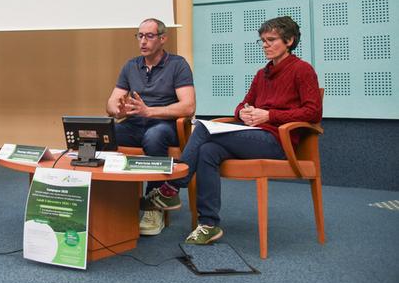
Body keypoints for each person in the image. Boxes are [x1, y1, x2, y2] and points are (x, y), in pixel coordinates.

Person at [148, 16, 322, 245]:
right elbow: (242, 104)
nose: (265, 45)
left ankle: (172, 187)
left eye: (271, 40)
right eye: (262, 41)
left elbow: (313, 112)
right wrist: (243, 113)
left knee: (202, 129)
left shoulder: (302, 70)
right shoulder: (263, 74)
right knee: (208, 150)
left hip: (278, 141)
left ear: (289, 41)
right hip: (255, 134)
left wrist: (270, 115)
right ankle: (208, 224)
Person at [106, 18, 196, 237]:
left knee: (154, 137)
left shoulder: (178, 64)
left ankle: (153, 207)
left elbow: (189, 106)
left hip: (164, 124)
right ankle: (111, 202)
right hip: (135, 123)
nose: (143, 41)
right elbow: (110, 103)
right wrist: (119, 111)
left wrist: (151, 112)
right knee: (106, 133)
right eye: (140, 36)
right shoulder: (131, 65)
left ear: (163, 39)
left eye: (149, 36)